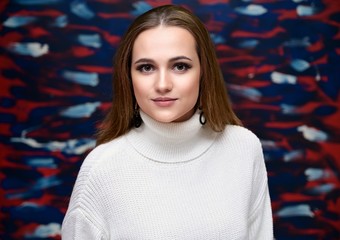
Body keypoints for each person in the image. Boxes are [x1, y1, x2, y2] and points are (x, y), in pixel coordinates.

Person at [62, 4, 273, 239]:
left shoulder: (243, 148)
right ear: (128, 76)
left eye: (180, 66)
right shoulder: (102, 169)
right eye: (146, 67)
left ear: (204, 72)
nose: (163, 84)